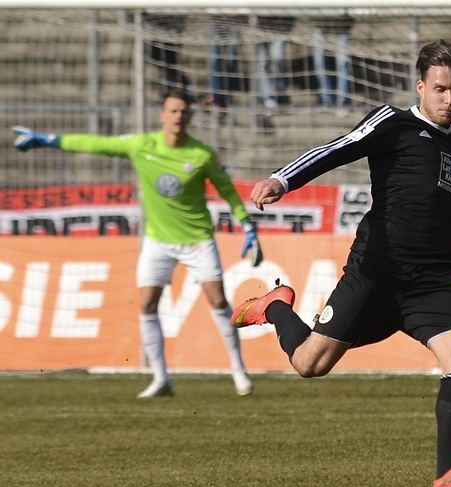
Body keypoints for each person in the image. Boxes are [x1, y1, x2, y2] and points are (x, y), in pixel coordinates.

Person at [231, 40, 451, 487]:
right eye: (439, 89)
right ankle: (274, 307)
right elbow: (337, 149)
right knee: (310, 364)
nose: (448, 100)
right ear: (421, 86)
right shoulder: (394, 122)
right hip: (377, 272)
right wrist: (283, 179)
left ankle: (448, 473)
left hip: (434, 279)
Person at [12, 90, 264, 399]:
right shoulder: (142, 145)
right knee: (146, 304)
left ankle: (239, 370)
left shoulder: (202, 154)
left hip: (197, 240)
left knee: (218, 302)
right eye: (173, 111)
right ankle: (161, 379)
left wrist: (247, 224)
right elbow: (97, 145)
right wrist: (50, 140)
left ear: (190, 117)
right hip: (158, 241)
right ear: (162, 115)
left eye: (184, 112)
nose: (178, 116)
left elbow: (226, 190)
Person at [310, 16, 354, 106]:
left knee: (343, 63)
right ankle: (326, 99)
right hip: (320, 23)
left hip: (342, 24)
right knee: (320, 63)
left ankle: (343, 100)